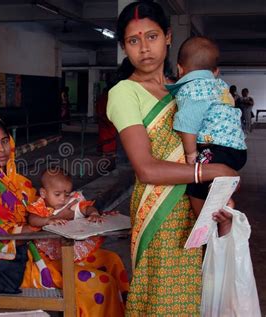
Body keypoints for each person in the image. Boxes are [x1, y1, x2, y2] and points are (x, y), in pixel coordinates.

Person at [107, 2, 237, 315]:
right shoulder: (125, 92)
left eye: (151, 37)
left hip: (199, 205)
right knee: (164, 302)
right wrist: (211, 172)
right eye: (133, 41)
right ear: (124, 47)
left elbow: (214, 142)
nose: (144, 48)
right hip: (159, 211)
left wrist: (222, 193)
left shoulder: (186, 88)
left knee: (198, 296)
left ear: (167, 37)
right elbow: (147, 169)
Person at [0, 114, 129, 316]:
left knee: (111, 260)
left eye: (4, 141)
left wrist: (69, 209)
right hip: (14, 263)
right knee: (100, 285)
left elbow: (41, 206)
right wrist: (48, 224)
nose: (1, 149)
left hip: (37, 249)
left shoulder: (16, 180)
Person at [166, 36, 247, 217]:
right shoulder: (220, 86)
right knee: (211, 178)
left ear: (180, 69)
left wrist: (191, 154)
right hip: (238, 150)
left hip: (218, 150)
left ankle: (204, 218)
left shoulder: (191, 89)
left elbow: (187, 123)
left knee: (195, 179)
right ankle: (223, 197)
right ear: (216, 71)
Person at [27, 167, 105, 262]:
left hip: (73, 247)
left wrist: (94, 213)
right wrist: (47, 221)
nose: (62, 199)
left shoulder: (71, 203)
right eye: (57, 194)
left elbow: (86, 208)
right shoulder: (40, 206)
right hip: (49, 248)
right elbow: (32, 219)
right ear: (43, 193)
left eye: (67, 194)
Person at [96, 87, 117, 156]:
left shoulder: (100, 98)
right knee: (110, 135)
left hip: (103, 119)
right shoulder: (110, 98)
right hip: (109, 119)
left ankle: (104, 151)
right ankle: (110, 151)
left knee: (103, 136)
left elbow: (97, 108)